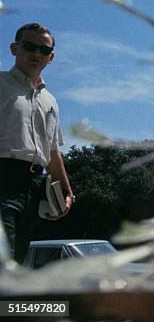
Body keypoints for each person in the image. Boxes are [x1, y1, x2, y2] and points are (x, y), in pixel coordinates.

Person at [0, 23, 74, 264]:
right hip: (3, 178)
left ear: (50, 57)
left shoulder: (51, 101)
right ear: (14, 48)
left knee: (17, 262)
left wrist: (65, 189)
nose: (36, 54)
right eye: (29, 47)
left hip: (35, 186)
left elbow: (51, 151)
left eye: (43, 50)